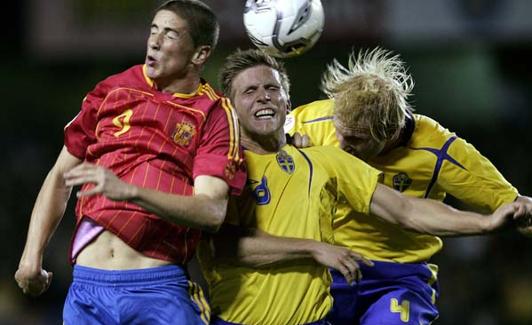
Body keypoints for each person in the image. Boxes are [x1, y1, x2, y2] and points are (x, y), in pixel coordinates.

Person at [197, 49, 530, 325]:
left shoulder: (443, 152)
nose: (341, 143)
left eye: (355, 139)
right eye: (338, 130)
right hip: (333, 266)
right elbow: (256, 132)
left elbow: (508, 206)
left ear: (388, 134)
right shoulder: (311, 120)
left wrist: (497, 220)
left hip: (398, 276)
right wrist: (282, 146)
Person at [14, 1, 245, 324]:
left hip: (158, 290)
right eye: (153, 31)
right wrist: (31, 257)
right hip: (87, 290)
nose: (154, 41)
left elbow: (211, 211)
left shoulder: (215, 114)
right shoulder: (113, 89)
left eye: (170, 34)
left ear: (200, 54)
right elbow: (60, 176)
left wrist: (130, 191)